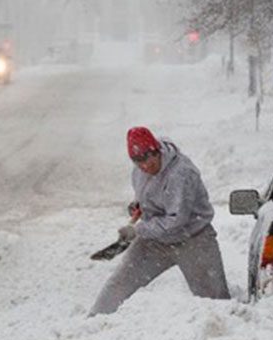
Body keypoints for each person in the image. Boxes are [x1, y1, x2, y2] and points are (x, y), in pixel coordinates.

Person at [90, 126, 230, 315]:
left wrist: (137, 231)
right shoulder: (138, 171)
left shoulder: (181, 173)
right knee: (119, 283)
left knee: (216, 304)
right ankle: (92, 325)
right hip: (155, 242)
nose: (145, 166)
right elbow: (147, 198)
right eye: (138, 161)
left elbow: (175, 221)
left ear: (156, 150)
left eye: (148, 158)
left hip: (194, 241)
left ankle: (225, 336)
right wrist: (138, 206)